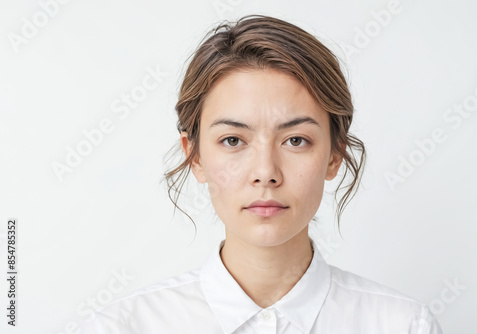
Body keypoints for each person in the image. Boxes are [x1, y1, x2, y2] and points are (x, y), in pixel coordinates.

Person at [80, 14, 443, 333]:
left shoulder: (405, 325)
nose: (266, 173)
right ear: (195, 157)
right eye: (234, 140)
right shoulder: (122, 326)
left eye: (296, 140)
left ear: (335, 154)